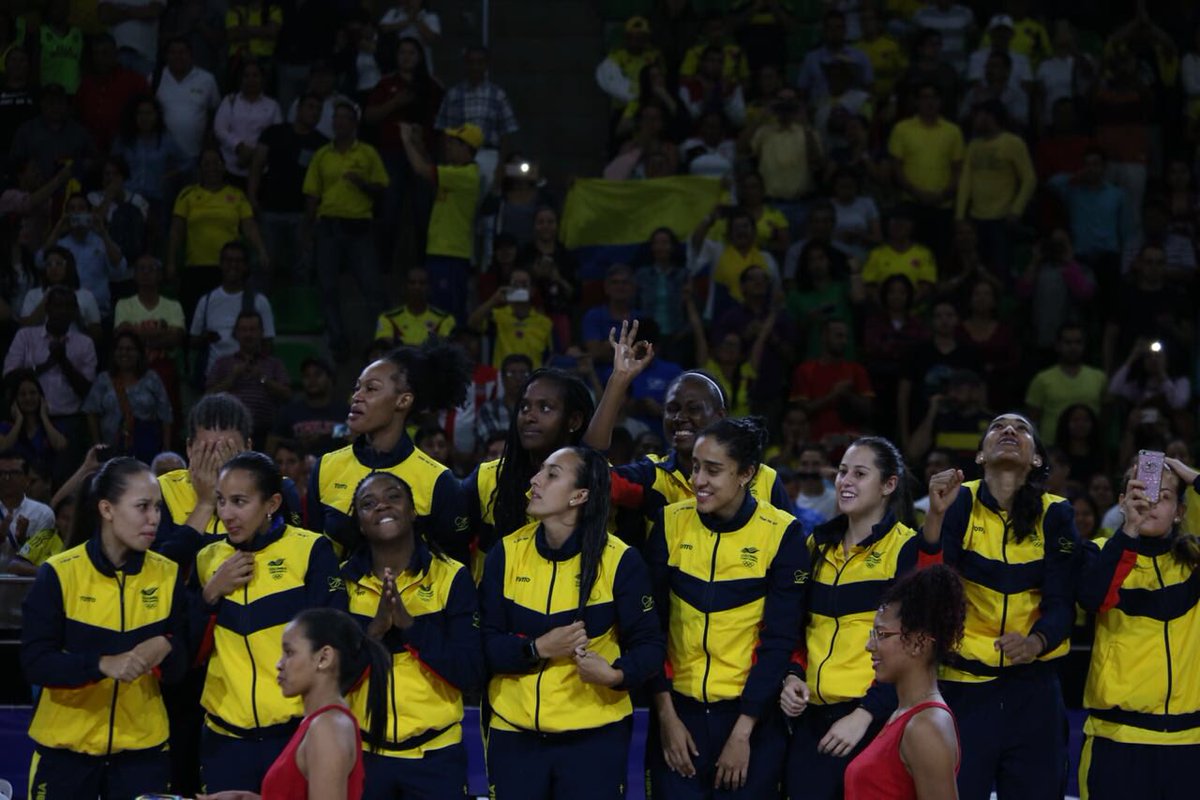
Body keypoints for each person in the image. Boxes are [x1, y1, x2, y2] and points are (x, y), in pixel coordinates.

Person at [480, 445, 664, 799]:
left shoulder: (621, 561)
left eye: (551, 474)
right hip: (514, 735)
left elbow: (650, 645)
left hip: (595, 737)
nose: (535, 481)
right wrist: (536, 649)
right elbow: (484, 643)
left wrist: (615, 675)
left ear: (579, 495)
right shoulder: (505, 553)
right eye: (540, 472)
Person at [646, 417, 809, 797]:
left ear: (746, 473)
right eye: (696, 467)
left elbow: (780, 639)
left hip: (750, 720)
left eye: (713, 470)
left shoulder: (782, 533)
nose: (698, 480)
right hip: (678, 716)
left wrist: (743, 731)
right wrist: (666, 718)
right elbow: (651, 630)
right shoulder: (670, 523)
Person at [922, 413, 1081, 799]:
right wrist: (934, 517)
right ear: (980, 456)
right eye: (998, 427)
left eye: (1022, 428)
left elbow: (1062, 601)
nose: (1009, 431)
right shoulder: (958, 501)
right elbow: (932, 585)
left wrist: (1036, 642)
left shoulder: (1057, 512)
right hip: (963, 686)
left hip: (1034, 690)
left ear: (1038, 460)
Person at [21, 456, 189, 798]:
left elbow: (181, 667)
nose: (154, 518)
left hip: (143, 754)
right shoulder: (58, 573)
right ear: (107, 509)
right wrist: (101, 664)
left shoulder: (167, 574)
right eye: (143, 507)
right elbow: (35, 662)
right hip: (65, 754)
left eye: (158, 508)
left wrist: (168, 649)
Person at [192, 451, 347, 793]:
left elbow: (335, 645)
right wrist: (210, 594)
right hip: (224, 740)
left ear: (272, 502)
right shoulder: (207, 558)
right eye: (220, 501)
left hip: (293, 735)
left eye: (239, 502)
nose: (227, 514)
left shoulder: (310, 551)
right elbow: (186, 651)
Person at [780, 436, 922, 799]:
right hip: (810, 720)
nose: (845, 481)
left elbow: (910, 650)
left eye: (860, 474)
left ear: (889, 484)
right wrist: (793, 676)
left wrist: (864, 716)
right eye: (842, 472)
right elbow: (796, 627)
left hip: (871, 721)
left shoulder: (906, 549)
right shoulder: (816, 545)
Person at [340, 471, 481, 796]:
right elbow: (333, 677)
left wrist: (409, 627)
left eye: (393, 496)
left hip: (438, 757)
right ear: (360, 524)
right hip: (363, 755)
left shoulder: (451, 577)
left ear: (413, 510)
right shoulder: (342, 582)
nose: (382, 506)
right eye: (368, 503)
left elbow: (470, 670)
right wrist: (373, 631)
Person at [1076, 457, 1200, 799]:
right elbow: (1092, 598)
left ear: (1179, 510)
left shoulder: (1195, 559)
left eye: (1164, 496)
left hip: (1190, 743)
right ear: (1122, 501)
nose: (1150, 503)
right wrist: (1128, 530)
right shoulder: (1098, 552)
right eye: (1141, 492)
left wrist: (1195, 477)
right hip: (1116, 739)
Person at [197, 606, 392, 800]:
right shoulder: (322, 721)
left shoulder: (327, 728)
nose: (279, 664)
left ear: (324, 657)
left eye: (289, 653)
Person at [308, 341, 471, 559]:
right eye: (357, 388)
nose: (356, 397)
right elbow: (311, 559)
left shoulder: (438, 481)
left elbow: (453, 570)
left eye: (371, 388)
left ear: (403, 400)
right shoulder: (326, 467)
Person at [842, 565, 966, 799]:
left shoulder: (926, 727)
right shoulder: (904, 714)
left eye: (882, 635)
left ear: (919, 642)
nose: (870, 646)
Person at [463, 367, 595, 566]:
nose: (529, 417)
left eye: (545, 408)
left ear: (574, 421)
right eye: (524, 407)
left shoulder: (596, 478)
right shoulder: (487, 477)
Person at [303, 102, 389, 356]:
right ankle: (337, 340)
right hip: (328, 227)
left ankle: (380, 342)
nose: (339, 122)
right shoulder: (322, 155)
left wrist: (363, 183)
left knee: (372, 287)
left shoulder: (367, 153)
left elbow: (382, 187)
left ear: (354, 123)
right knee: (327, 287)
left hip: (359, 227)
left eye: (345, 118)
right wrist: (308, 231)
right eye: (336, 117)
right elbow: (311, 194)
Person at [400, 121, 482, 323]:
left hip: (451, 255)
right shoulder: (454, 173)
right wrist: (417, 142)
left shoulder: (466, 175)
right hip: (440, 253)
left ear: (466, 149)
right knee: (437, 313)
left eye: (454, 143)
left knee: (449, 316)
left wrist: (405, 140)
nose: (448, 146)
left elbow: (421, 169)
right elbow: (429, 166)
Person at [168, 147, 268, 312]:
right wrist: (171, 261)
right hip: (196, 267)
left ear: (223, 167)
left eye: (216, 163)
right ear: (200, 168)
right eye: (207, 164)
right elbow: (176, 231)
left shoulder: (237, 195)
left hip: (229, 269)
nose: (212, 167)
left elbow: (249, 227)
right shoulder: (187, 195)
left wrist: (261, 250)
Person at [248, 92, 328, 289]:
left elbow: (324, 182)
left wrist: (315, 214)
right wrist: (252, 196)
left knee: (302, 267)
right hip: (270, 209)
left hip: (302, 214)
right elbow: (257, 165)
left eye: (318, 110)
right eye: (310, 107)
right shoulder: (274, 133)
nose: (314, 112)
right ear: (298, 109)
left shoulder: (322, 144)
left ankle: (302, 312)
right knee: (265, 263)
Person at [189, 242, 277, 383]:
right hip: (214, 379)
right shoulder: (206, 300)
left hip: (249, 379)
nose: (233, 266)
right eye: (228, 261)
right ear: (221, 264)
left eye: (238, 261)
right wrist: (206, 338)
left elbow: (267, 344)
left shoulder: (260, 301)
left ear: (246, 266)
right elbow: (193, 340)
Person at [83, 331, 171, 464]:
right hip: (112, 449)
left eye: (130, 349)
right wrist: (97, 445)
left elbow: (166, 415)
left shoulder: (152, 378)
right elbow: (91, 411)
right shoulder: (103, 380)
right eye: (120, 349)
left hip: (146, 448)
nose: (124, 353)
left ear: (139, 353)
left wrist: (166, 449)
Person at [434, 45, 519, 179]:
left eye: (480, 63)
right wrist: (447, 160)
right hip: (460, 157)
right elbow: (444, 131)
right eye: (471, 62)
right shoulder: (453, 95)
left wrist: (501, 165)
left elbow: (506, 133)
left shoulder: (497, 95)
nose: (475, 67)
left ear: (486, 65)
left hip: (489, 154)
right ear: (465, 64)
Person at [206, 311, 292, 443]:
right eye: (243, 330)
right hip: (229, 432)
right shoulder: (222, 363)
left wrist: (262, 378)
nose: (248, 334)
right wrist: (232, 378)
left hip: (266, 431)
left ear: (261, 332)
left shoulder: (274, 364)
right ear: (236, 333)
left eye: (252, 330)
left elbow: (287, 395)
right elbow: (208, 396)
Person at [1024, 323, 1106, 442]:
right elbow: (1032, 422)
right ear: (1058, 346)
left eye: (1078, 342)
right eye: (1068, 342)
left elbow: (1105, 420)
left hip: (1091, 451)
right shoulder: (1041, 379)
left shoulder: (1099, 378)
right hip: (1051, 450)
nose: (1073, 347)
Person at [468, 267, 555, 368]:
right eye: (515, 285)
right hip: (503, 378)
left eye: (524, 284)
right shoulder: (497, 316)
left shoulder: (544, 322)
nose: (519, 288)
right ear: (508, 287)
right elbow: (472, 324)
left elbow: (552, 356)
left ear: (532, 290)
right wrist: (493, 300)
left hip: (532, 379)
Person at [155, 37, 222, 164]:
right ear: (166, 55)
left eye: (182, 52)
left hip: (195, 155)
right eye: (173, 52)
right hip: (163, 157)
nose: (177, 57)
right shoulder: (155, 78)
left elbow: (215, 111)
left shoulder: (207, 79)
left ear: (190, 55)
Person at [214, 60, 283, 180]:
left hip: (260, 170)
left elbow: (277, 135)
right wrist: (239, 147)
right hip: (230, 167)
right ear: (241, 79)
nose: (251, 79)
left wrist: (254, 156)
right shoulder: (230, 100)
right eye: (246, 76)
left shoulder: (273, 105)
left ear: (262, 79)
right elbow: (220, 129)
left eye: (255, 75)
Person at [269, 357, 348, 458]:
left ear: (330, 379)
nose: (312, 380)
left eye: (317, 375)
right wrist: (296, 443)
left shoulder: (344, 410)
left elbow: (354, 432)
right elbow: (273, 442)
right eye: (307, 376)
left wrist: (324, 435)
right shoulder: (289, 411)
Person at [0, 372, 68, 479]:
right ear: (15, 399)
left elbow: (60, 446)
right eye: (22, 394)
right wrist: (19, 421)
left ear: (41, 397)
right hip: (15, 483)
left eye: (33, 393)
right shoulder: (5, 427)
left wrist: (44, 417)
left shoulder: (53, 425)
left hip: (47, 483)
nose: (28, 398)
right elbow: (2, 447)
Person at [374, 265, 455, 345]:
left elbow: (445, 351)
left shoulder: (444, 319)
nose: (417, 287)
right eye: (412, 283)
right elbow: (383, 350)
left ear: (429, 288)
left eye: (422, 283)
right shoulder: (388, 319)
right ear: (404, 287)